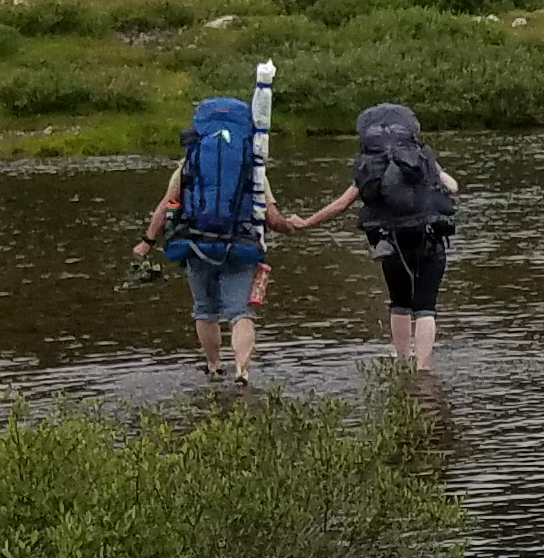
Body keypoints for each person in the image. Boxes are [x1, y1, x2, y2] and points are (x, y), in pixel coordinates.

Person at [279, 101, 463, 368]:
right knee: (425, 306)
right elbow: (454, 187)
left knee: (399, 302)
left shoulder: (369, 167)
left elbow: (341, 205)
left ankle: (402, 362)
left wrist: (306, 222)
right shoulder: (422, 158)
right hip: (430, 236)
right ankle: (422, 369)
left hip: (390, 241)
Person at [141, 94, 270, 386]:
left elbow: (166, 205)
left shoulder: (190, 162)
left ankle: (214, 367)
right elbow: (270, 215)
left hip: (195, 246)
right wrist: (293, 226)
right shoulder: (252, 165)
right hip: (240, 247)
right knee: (240, 312)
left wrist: (147, 241)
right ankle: (242, 371)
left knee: (205, 310)